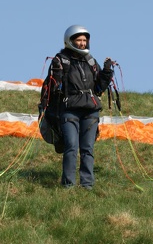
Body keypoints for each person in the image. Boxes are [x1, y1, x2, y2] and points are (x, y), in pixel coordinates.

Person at [48, 25, 114, 189]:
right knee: (71, 146)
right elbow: (54, 87)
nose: (82, 43)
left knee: (87, 149)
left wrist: (106, 72)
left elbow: (99, 88)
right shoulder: (60, 60)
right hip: (69, 109)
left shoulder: (90, 61)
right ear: (70, 41)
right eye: (79, 40)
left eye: (85, 40)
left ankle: (87, 185)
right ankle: (68, 185)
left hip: (90, 111)